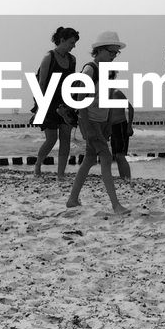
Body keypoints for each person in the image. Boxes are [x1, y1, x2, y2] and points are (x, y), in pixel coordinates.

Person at [65, 32, 130, 215]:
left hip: (102, 121)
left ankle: (72, 199)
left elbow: (108, 97)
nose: (113, 56)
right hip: (90, 121)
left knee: (89, 159)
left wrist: (109, 122)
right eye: (111, 52)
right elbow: (80, 101)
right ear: (99, 50)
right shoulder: (90, 70)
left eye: (116, 53)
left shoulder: (108, 71)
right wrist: (88, 129)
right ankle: (115, 205)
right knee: (107, 158)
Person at [33, 27, 80, 177]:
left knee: (65, 139)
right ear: (62, 40)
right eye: (71, 42)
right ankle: (38, 165)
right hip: (48, 102)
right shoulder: (49, 57)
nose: (74, 46)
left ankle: (61, 174)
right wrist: (42, 106)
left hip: (66, 103)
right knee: (51, 139)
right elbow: (41, 83)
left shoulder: (72, 60)